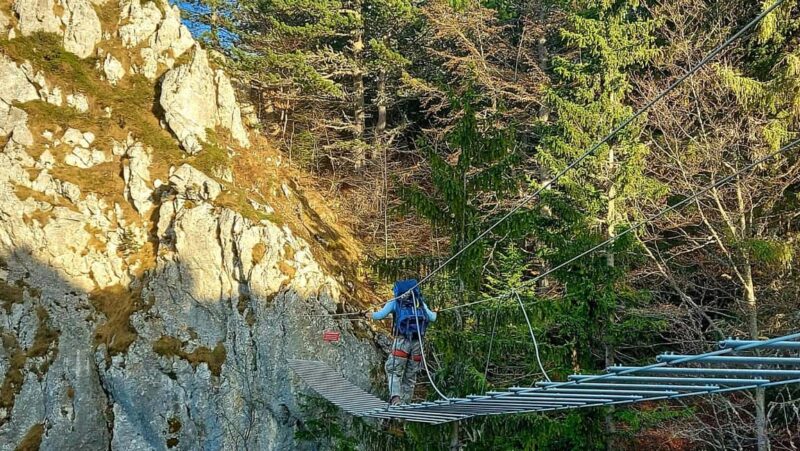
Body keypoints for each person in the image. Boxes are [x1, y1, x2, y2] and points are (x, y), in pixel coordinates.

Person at [365, 279, 437, 406]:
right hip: (418, 344)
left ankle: (396, 398)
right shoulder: (420, 303)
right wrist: (436, 311)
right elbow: (432, 317)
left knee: (393, 370)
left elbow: (379, 315)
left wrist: (367, 314)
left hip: (402, 342)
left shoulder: (395, 302)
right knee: (410, 376)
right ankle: (405, 405)